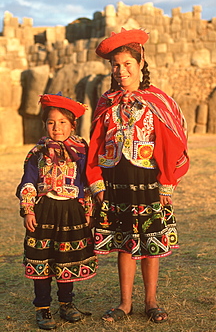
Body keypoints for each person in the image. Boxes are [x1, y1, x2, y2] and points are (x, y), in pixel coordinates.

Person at [86, 28, 189, 324]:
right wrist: (96, 182)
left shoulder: (157, 101)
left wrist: (167, 183)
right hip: (116, 182)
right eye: (115, 66)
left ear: (140, 63)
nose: (121, 71)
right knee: (124, 243)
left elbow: (171, 141)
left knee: (149, 243)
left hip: (148, 182)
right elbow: (96, 143)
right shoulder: (107, 102)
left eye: (127, 64)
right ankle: (125, 303)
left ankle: (151, 301)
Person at [16, 93, 97, 330]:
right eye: (51, 122)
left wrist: (88, 210)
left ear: (73, 125)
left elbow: (87, 182)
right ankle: (42, 307)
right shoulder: (37, 153)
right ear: (44, 125)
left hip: (72, 211)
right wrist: (29, 210)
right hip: (44, 211)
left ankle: (66, 304)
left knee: (66, 259)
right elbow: (28, 182)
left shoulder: (82, 150)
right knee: (42, 260)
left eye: (63, 122)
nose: (57, 128)